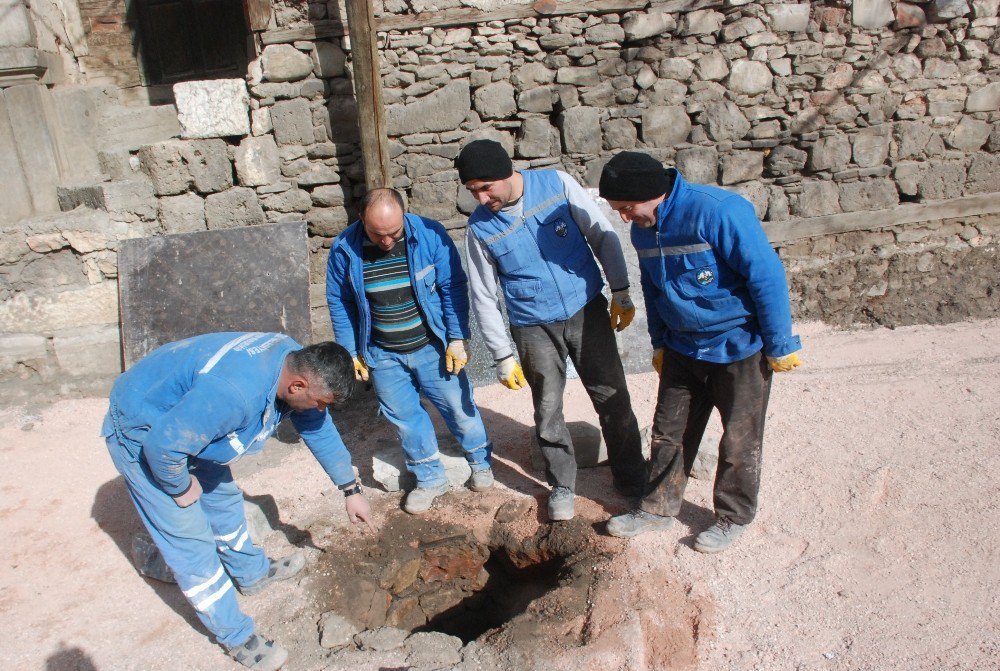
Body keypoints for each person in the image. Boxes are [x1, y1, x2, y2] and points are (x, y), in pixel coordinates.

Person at [101, 332, 375, 671]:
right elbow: (163, 447)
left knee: (225, 501)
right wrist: (179, 486)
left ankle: (252, 572)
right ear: (297, 387)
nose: (321, 410)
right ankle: (235, 636)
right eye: (321, 402)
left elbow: (319, 430)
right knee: (190, 541)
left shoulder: (294, 364)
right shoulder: (235, 395)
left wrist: (351, 491)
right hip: (145, 427)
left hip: (191, 419)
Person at [598, 151, 802, 553]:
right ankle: (657, 508)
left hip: (738, 346)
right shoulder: (644, 227)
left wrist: (779, 343)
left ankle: (732, 517)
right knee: (668, 433)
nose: (624, 218)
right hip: (682, 348)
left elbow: (766, 275)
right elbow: (654, 290)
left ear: (654, 193)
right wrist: (658, 342)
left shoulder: (718, 212)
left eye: (627, 208)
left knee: (739, 440)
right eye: (617, 210)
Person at [455, 139, 647, 522]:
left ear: (507, 173)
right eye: (472, 190)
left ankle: (631, 475)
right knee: (547, 408)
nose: (480, 198)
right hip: (532, 325)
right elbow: (482, 294)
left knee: (611, 395)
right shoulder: (479, 229)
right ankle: (562, 484)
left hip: (586, 308)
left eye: (485, 187)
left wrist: (621, 289)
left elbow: (601, 234)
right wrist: (502, 355)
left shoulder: (557, 185)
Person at [326, 188, 494, 514]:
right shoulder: (344, 249)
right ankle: (429, 478)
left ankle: (480, 461)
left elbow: (452, 286)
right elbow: (339, 300)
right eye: (378, 234)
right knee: (405, 419)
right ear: (362, 220)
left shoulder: (430, 235)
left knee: (458, 406)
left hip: (433, 346)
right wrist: (350, 351)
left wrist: (457, 338)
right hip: (382, 353)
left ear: (404, 216)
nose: (387, 241)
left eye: (394, 232)